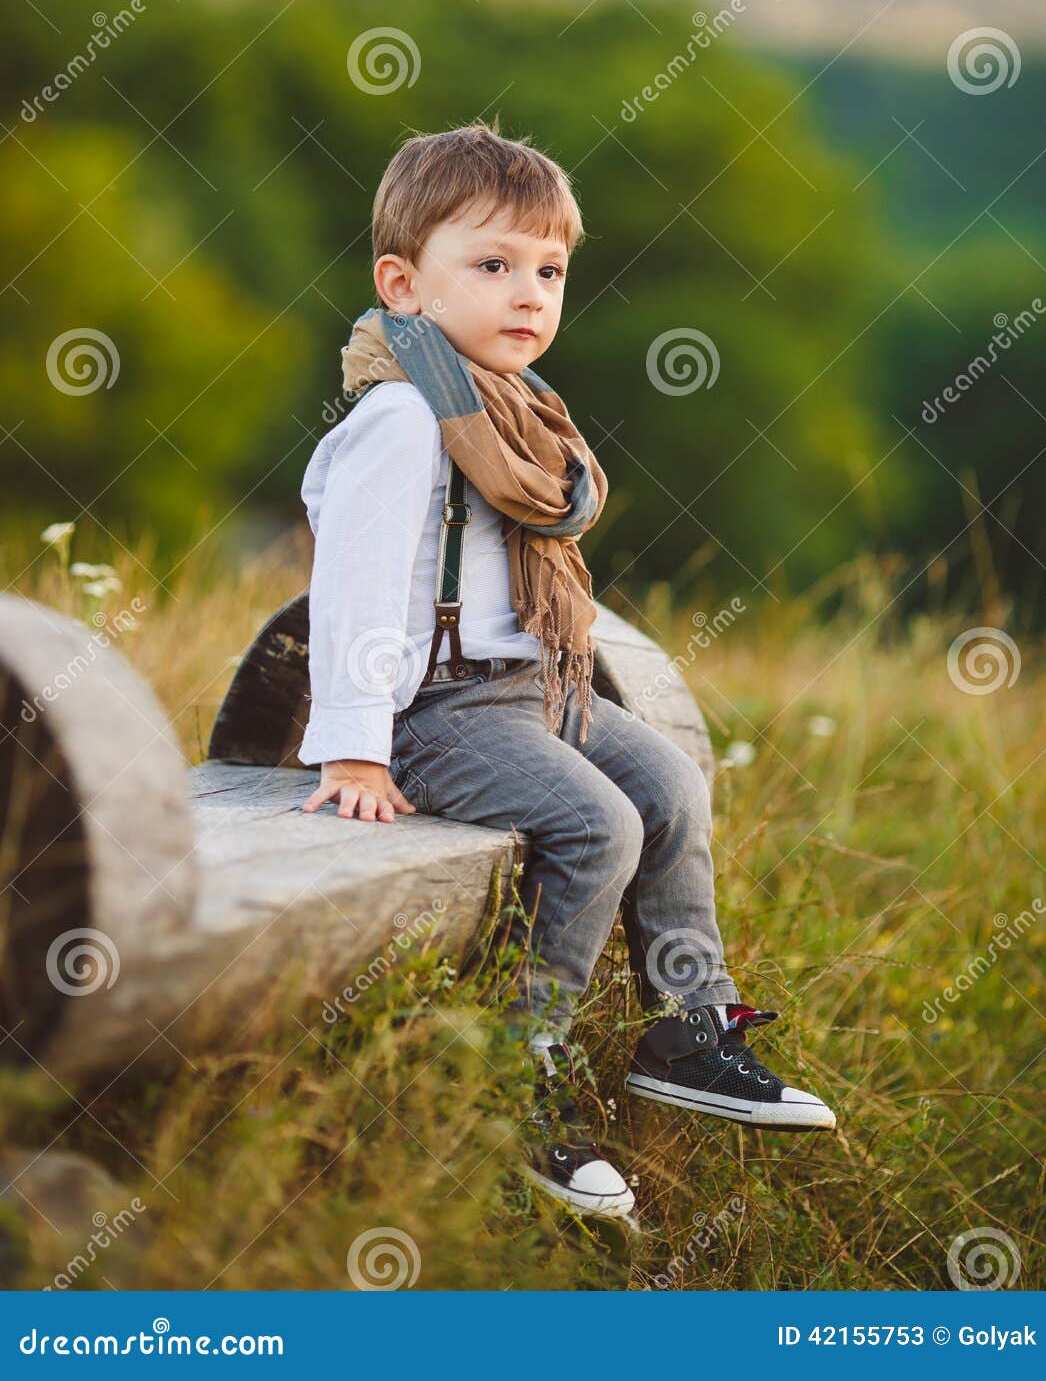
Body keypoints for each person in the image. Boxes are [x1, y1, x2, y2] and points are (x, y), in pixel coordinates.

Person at [298, 119, 836, 1220]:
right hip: (434, 708)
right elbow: (351, 584)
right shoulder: (405, 419)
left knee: (673, 788)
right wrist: (353, 739)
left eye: (546, 269)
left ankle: (685, 1031)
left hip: (532, 690)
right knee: (601, 824)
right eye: (490, 266)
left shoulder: (524, 420)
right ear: (402, 284)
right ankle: (514, 1065)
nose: (526, 292)